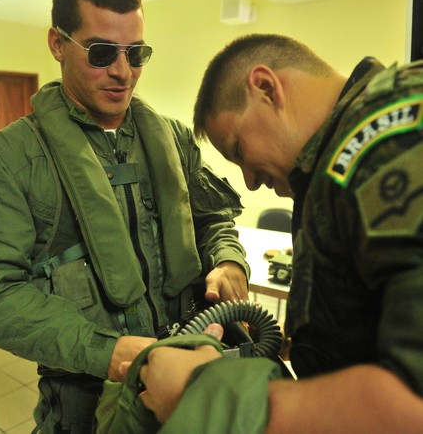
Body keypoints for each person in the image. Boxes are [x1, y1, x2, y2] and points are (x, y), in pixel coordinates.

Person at [0, 0, 249, 433]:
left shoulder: (172, 139)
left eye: (136, 53)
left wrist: (229, 262)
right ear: (57, 44)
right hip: (84, 413)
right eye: (101, 52)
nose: (122, 71)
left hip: (189, 395)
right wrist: (108, 352)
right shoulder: (6, 159)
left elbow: (214, 219)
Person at [134, 34, 423, 433]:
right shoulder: (338, 164)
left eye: (238, 150)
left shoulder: (389, 140)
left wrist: (201, 393)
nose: (250, 182)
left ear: (266, 89)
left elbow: (413, 400)